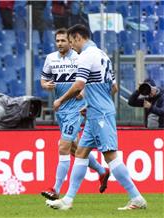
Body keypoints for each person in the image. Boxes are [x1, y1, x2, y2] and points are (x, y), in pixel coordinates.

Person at [46, 24, 147, 210]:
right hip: (95, 111)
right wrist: (90, 104)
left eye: (70, 41)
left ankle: (136, 197)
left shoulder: (86, 56)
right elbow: (114, 88)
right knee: (81, 153)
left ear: (77, 38)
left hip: (100, 114)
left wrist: (60, 99)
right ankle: (68, 200)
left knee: (111, 157)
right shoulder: (102, 54)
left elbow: (78, 85)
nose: (71, 46)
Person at [40, 28, 110, 201]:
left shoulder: (80, 58)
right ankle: (102, 171)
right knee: (75, 148)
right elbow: (43, 79)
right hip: (61, 109)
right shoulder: (50, 58)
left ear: (70, 42)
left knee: (63, 145)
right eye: (58, 41)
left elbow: (88, 79)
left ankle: (55, 189)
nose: (60, 44)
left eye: (63, 40)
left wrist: (83, 92)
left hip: (76, 108)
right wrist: (45, 85)